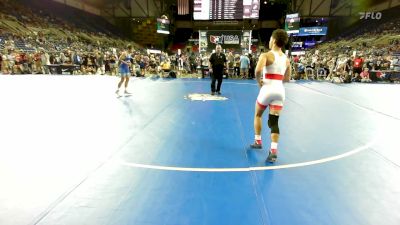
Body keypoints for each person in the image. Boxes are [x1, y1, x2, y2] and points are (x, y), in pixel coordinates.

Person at [250, 29, 291, 163]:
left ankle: (258, 141)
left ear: (273, 40)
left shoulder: (266, 55)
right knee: (274, 122)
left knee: (258, 115)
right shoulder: (286, 59)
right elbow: (287, 79)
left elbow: (257, 70)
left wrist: (259, 81)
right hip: (280, 91)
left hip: (267, 89)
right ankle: (273, 151)